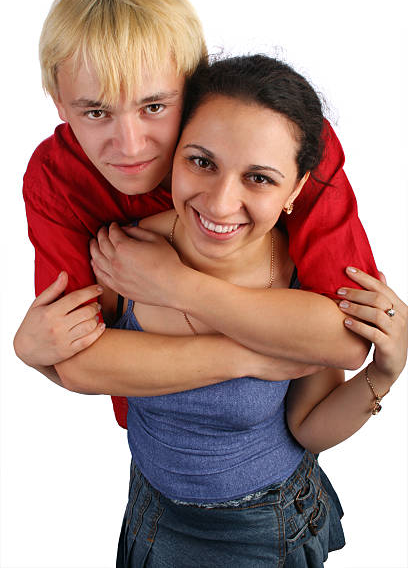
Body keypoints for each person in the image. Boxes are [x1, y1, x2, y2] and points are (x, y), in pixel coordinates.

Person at [47, 55, 408, 566]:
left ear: (296, 192)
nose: (219, 203)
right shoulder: (121, 256)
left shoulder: (301, 281)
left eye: (259, 178)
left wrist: (386, 374)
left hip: (265, 525)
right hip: (150, 510)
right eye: (202, 162)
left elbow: (310, 429)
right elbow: (78, 363)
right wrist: (30, 351)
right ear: (174, 152)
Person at [16, 0, 380, 429]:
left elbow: (349, 339)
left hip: (286, 425)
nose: (130, 146)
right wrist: (246, 356)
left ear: (193, 82)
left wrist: (174, 286)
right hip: (161, 433)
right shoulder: (56, 177)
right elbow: (77, 358)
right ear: (58, 103)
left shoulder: (279, 138)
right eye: (95, 111)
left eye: (154, 106)